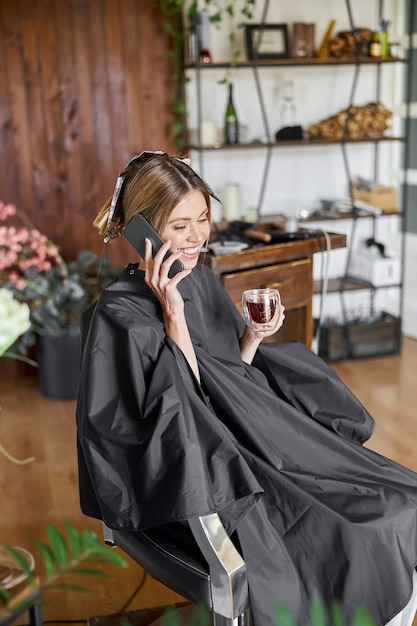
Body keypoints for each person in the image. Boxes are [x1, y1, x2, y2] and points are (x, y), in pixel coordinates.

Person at [76, 151, 417, 626]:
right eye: (179, 226)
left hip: (246, 441)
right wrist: (171, 312)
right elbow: (184, 418)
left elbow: (226, 382)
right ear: (144, 230)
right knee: (354, 533)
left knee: (401, 497)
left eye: (204, 219)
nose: (197, 237)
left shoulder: (200, 281)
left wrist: (251, 338)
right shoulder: (120, 315)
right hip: (207, 474)